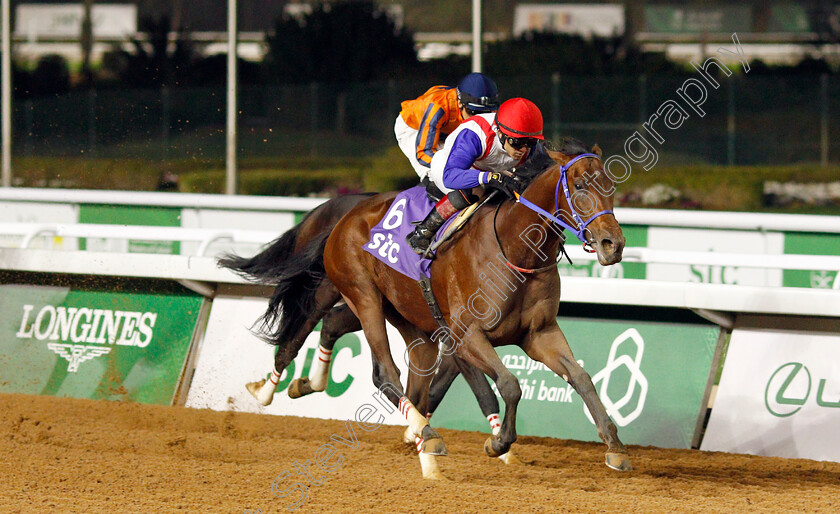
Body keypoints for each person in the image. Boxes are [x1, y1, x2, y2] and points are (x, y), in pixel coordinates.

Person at [406, 97, 545, 255]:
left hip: (490, 167)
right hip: (450, 168)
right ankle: (421, 233)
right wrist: (487, 177)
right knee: (472, 191)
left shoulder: (525, 140)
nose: (524, 149)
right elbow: (450, 176)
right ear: (500, 132)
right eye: (517, 142)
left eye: (531, 142)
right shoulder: (474, 135)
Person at [395, 73, 500, 191]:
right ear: (460, 103)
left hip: (444, 129)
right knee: (436, 175)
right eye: (474, 113)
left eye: (486, 113)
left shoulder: (468, 106)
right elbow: (424, 153)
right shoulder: (438, 107)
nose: (479, 118)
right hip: (413, 127)